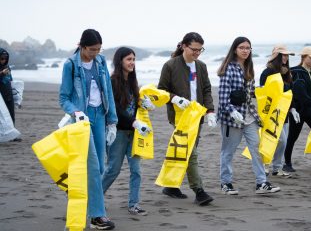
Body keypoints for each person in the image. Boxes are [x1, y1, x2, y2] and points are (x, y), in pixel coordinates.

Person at [59, 29, 117, 230]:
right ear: (82, 46)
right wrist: (76, 112)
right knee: (92, 167)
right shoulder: (70, 65)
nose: (95, 53)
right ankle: (97, 216)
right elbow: (63, 98)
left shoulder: (100, 62)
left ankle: (78, 192)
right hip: (81, 121)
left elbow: (108, 91)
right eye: (92, 49)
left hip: (100, 116)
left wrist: (112, 121)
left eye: (99, 49)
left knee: (100, 167)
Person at [158, 32, 216, 206]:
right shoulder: (170, 66)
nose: (197, 53)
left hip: (197, 116)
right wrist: (174, 98)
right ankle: (199, 191)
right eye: (194, 49)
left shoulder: (201, 66)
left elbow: (206, 89)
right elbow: (161, 91)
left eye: (200, 50)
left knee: (186, 151)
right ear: (184, 46)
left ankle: (170, 186)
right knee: (190, 152)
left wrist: (210, 111)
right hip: (179, 117)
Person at [217, 36, 281, 195]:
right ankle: (226, 183)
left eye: (248, 48)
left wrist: (265, 93)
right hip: (231, 118)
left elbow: (249, 94)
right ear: (235, 49)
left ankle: (262, 183)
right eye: (242, 48)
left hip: (249, 115)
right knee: (228, 151)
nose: (245, 50)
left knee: (256, 148)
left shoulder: (249, 69)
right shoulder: (228, 69)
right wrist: (232, 111)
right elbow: (223, 99)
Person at [102, 47, 154, 216]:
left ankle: (134, 204)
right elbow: (115, 110)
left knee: (136, 170)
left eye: (133, 59)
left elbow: (133, 106)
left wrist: (144, 104)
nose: (132, 62)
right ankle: (95, 199)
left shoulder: (133, 81)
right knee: (112, 170)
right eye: (128, 59)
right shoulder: (112, 81)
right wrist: (134, 122)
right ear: (120, 61)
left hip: (134, 134)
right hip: (117, 133)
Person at [259, 44, 296, 177]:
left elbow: (290, 92)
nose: (285, 57)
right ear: (277, 56)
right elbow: (262, 93)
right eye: (283, 55)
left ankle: (277, 168)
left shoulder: (287, 72)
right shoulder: (267, 72)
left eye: (287, 55)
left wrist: (292, 109)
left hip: (284, 113)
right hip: (271, 113)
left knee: (282, 143)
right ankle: (264, 165)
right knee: (276, 139)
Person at [0, 48, 15, 125]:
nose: (4, 60)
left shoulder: (7, 67)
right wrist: (2, 73)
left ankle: (13, 135)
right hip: (1, 97)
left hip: (9, 95)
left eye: (5, 58)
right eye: (2, 58)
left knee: (11, 114)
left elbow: (11, 79)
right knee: (3, 117)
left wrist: (15, 94)